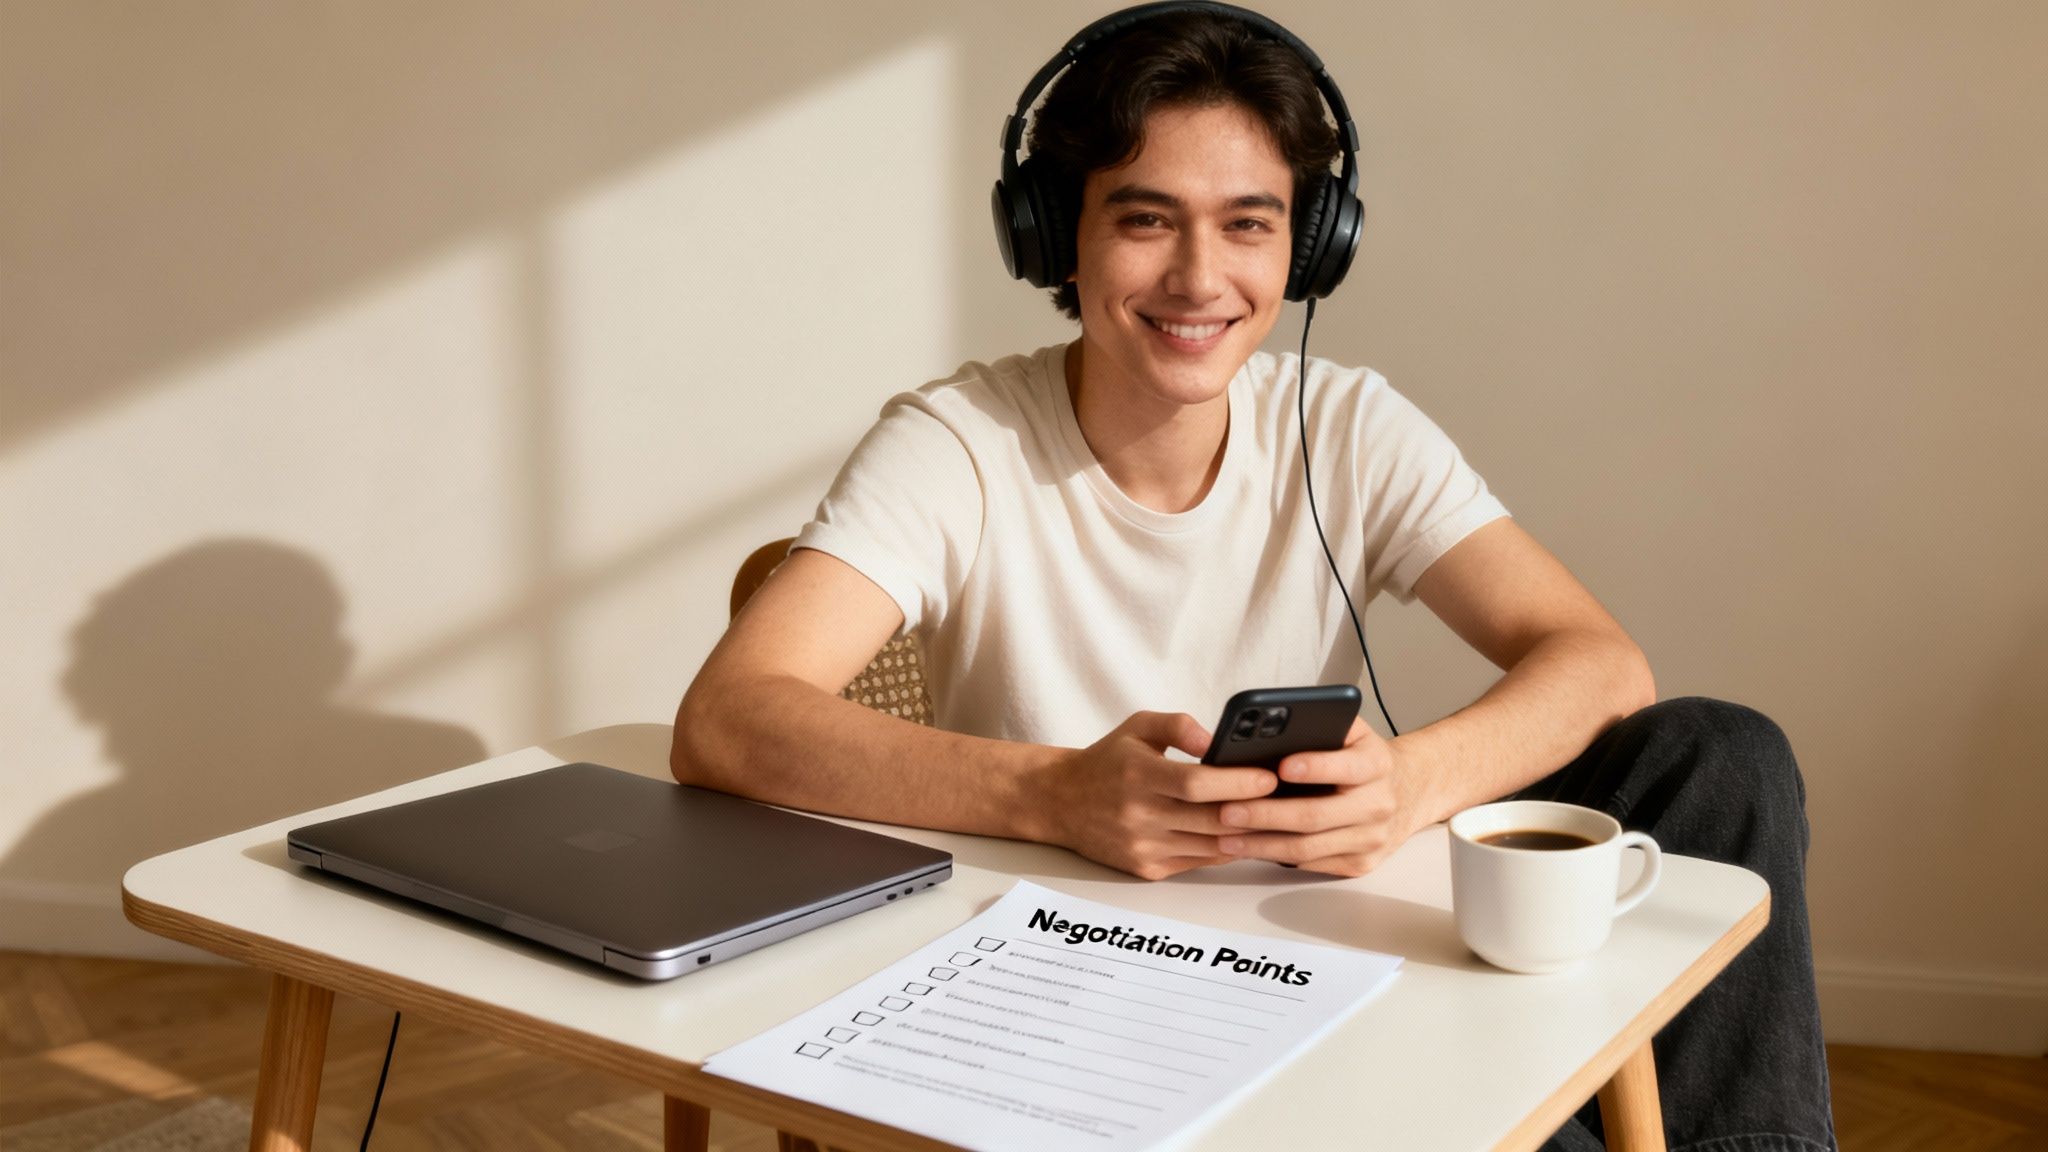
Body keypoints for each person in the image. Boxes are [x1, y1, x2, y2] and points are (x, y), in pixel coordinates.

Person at [673, 5, 1834, 1149]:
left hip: (1348, 951)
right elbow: (727, 720)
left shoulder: (1347, 425)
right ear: (1051, 235)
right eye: (1144, 219)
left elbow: (1598, 662)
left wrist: (1409, 784)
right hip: (1076, 993)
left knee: (1723, 755)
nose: (1197, 278)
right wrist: (1051, 797)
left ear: (1308, 244)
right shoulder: (956, 441)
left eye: (1246, 225)